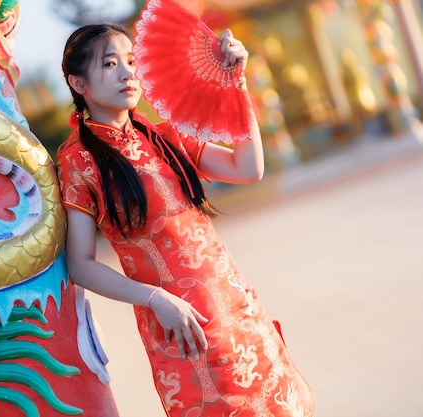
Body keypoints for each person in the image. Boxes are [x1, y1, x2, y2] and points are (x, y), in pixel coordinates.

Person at [56, 22, 315, 417]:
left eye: (130, 60)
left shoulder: (163, 136)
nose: (127, 72)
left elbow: (247, 167)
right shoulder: (79, 161)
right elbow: (81, 265)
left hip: (236, 313)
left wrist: (237, 84)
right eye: (110, 64)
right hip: (182, 327)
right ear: (78, 82)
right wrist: (154, 298)